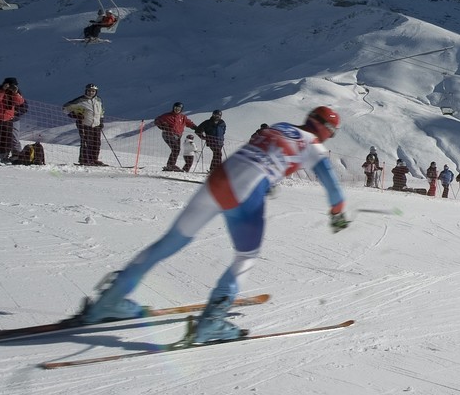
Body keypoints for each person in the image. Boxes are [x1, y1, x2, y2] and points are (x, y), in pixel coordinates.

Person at [75, 106, 349, 344]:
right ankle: (212, 321)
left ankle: (110, 299)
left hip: (219, 178)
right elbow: (334, 189)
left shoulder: (282, 126)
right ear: (326, 130)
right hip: (245, 190)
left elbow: (264, 153)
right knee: (246, 256)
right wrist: (337, 213)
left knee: (171, 241)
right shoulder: (314, 147)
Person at [62, 83, 105, 166]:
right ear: (86, 91)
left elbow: (101, 112)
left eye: (93, 91)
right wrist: (74, 115)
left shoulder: (98, 100)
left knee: (96, 143)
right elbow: (65, 107)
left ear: (96, 92)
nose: (91, 93)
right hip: (84, 124)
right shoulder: (80, 100)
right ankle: (84, 160)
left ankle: (94, 159)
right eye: (89, 91)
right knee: (86, 142)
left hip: (96, 125)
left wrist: (101, 121)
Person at [153, 102, 198, 171]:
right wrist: (162, 126)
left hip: (178, 136)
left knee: (176, 150)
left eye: (179, 108)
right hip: (168, 134)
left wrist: (196, 128)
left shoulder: (183, 117)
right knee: (176, 149)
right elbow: (157, 120)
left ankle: (170, 165)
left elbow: (189, 123)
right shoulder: (167, 116)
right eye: (175, 108)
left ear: (181, 109)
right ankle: (171, 165)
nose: (177, 109)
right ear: (173, 108)